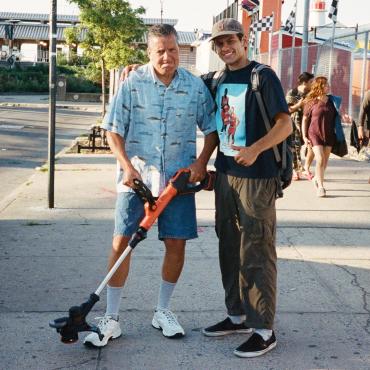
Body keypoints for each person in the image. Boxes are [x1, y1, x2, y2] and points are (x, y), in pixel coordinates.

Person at [83, 24, 218, 347]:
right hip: (137, 180)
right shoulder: (133, 83)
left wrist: (201, 163)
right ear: (148, 52)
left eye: (172, 50)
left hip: (178, 183)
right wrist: (126, 166)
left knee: (176, 244)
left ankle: (163, 311)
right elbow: (113, 130)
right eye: (160, 51)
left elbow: (212, 128)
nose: (167, 56)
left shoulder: (193, 85)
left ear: (179, 49)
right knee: (121, 243)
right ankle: (111, 317)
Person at [200, 19, 292, 358]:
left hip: (258, 177)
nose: (226, 48)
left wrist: (256, 148)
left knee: (257, 249)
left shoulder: (262, 76)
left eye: (231, 41)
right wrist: (203, 163)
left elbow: (285, 123)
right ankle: (237, 315)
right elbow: (212, 126)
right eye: (219, 44)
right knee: (229, 246)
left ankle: (264, 329)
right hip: (225, 174)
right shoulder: (218, 79)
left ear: (244, 40)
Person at [302, 76, 340, 197]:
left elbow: (337, 116)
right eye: (326, 85)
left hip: (329, 134)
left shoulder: (332, 101)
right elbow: (305, 119)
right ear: (320, 86)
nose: (328, 87)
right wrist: (304, 136)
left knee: (325, 161)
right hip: (314, 133)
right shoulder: (311, 101)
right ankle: (321, 187)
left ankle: (318, 179)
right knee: (320, 158)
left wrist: (344, 118)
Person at [285, 72, 315, 180]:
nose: (313, 84)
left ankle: (306, 168)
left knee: (311, 145)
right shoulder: (292, 93)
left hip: (309, 123)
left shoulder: (312, 93)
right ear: (304, 82)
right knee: (295, 147)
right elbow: (288, 110)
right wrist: (299, 104)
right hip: (295, 124)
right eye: (311, 82)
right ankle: (295, 171)